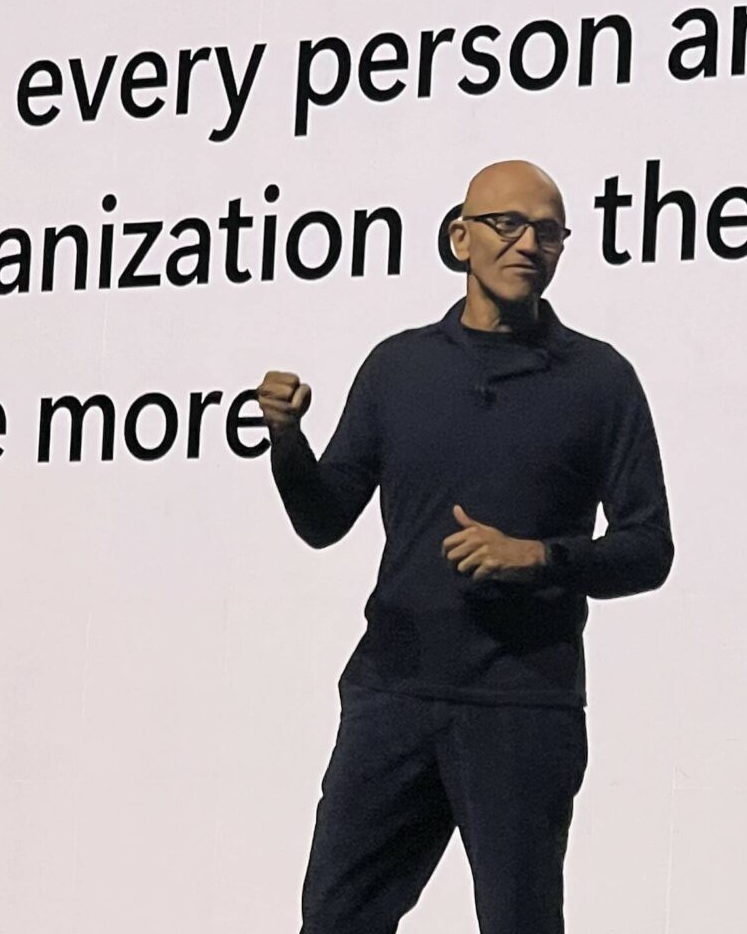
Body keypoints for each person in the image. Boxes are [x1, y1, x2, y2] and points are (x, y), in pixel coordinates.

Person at [256, 159, 674, 934]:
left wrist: (540, 556)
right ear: (460, 238)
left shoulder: (600, 379)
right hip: (393, 694)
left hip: (523, 704)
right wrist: (286, 441)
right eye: (507, 225)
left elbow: (649, 547)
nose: (528, 245)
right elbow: (323, 519)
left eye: (548, 232)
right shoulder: (398, 367)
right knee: (335, 920)